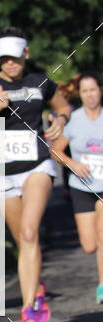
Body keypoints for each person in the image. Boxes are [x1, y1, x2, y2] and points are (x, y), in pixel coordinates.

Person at [0, 26, 71, 322]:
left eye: (14, 58)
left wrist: (60, 120)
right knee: (19, 238)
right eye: (3, 59)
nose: (9, 64)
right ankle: (34, 285)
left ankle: (29, 309)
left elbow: (62, 104)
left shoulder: (41, 82)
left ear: (26, 53)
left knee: (28, 232)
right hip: (1, 173)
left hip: (36, 165)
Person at [51, 73, 103, 303]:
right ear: (79, 95)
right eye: (85, 91)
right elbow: (56, 150)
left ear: (100, 90)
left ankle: (102, 285)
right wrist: (73, 163)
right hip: (81, 186)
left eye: (93, 90)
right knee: (89, 245)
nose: (90, 95)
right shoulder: (74, 120)